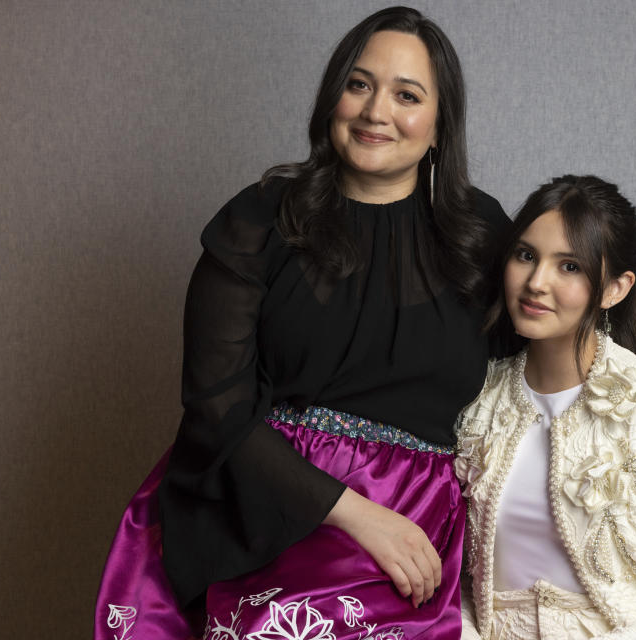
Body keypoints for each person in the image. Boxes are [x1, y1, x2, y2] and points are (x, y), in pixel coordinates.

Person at [95, 7, 509, 640]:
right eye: (359, 84)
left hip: (420, 520)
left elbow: (541, 370)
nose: (376, 111)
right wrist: (360, 517)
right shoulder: (259, 220)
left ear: (439, 123)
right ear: (331, 96)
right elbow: (216, 408)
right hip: (263, 503)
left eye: (407, 95)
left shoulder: (481, 234)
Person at [454, 175, 636, 639]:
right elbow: (458, 582)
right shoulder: (477, 397)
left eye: (569, 267)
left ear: (615, 288)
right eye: (526, 255)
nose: (536, 283)